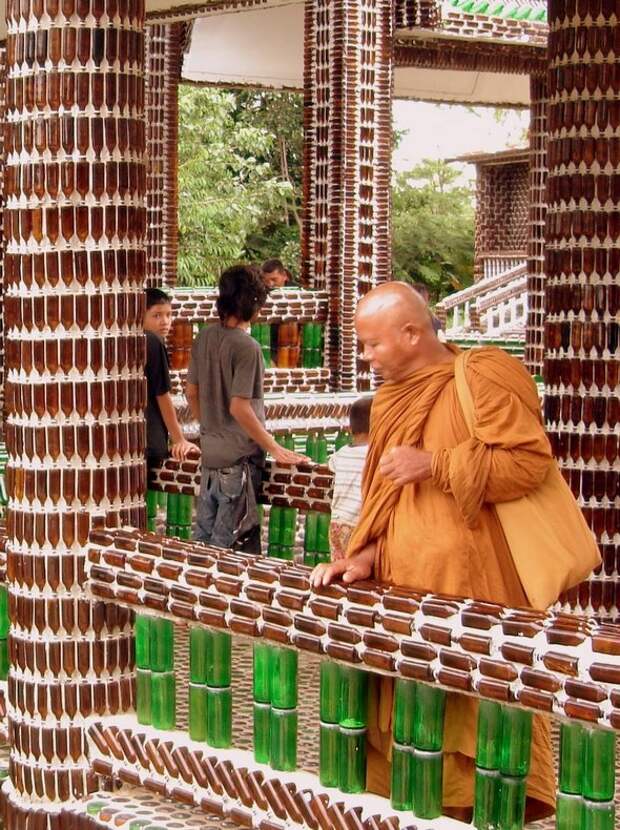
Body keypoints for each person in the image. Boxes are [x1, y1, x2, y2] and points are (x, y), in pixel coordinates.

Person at [310, 282, 556, 822]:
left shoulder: (482, 376)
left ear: (412, 333)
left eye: (373, 345)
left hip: (474, 591)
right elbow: (383, 490)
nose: (366, 357)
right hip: (405, 592)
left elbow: (528, 462)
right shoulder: (392, 398)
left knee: (479, 745)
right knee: (410, 741)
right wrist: (364, 555)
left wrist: (437, 465)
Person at [186, 264, 306, 553]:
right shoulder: (247, 347)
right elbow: (240, 407)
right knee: (232, 550)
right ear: (253, 303)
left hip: (211, 457)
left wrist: (211, 430)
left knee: (203, 544)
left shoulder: (204, 337)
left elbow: (191, 393)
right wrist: (274, 448)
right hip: (239, 460)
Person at [144, 287, 197, 470]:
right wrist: (179, 439)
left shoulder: (129, 339)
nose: (165, 322)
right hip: (151, 442)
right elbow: (162, 395)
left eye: (168, 315)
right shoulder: (152, 341)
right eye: (156, 315)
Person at [327, 397, 372, 560]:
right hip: (360, 524)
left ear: (350, 428)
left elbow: (330, 464)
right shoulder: (374, 455)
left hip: (337, 523)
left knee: (339, 566)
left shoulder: (342, 453)